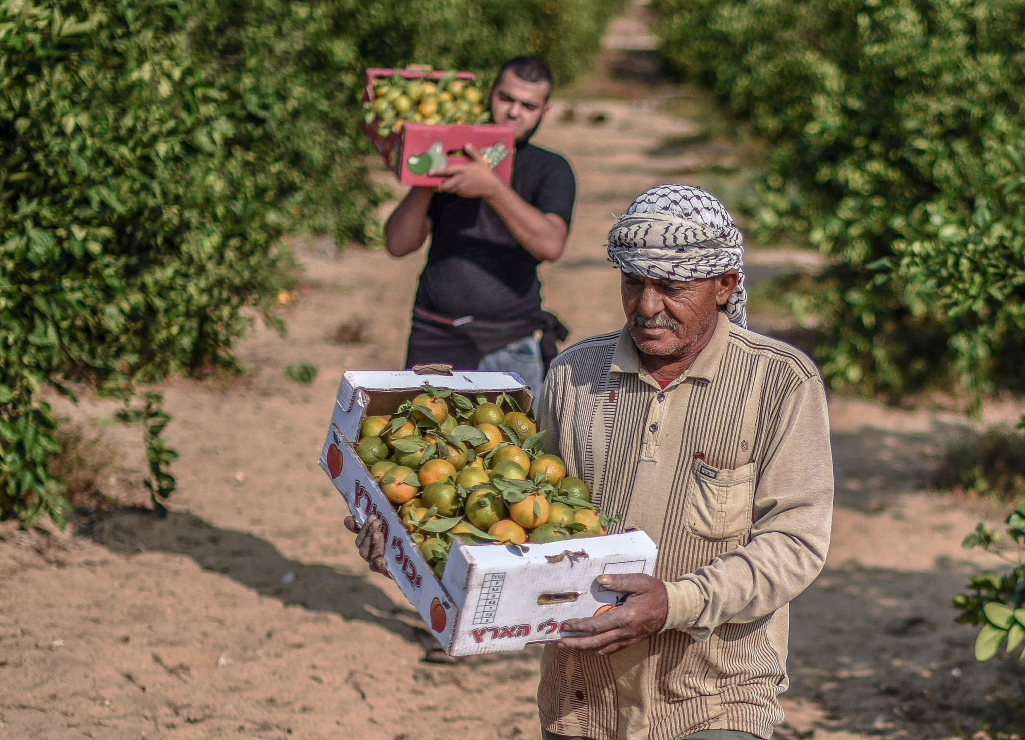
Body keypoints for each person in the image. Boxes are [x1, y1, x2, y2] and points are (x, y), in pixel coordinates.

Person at [350, 184, 834, 740]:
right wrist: (414, 545)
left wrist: (675, 602)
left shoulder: (779, 382)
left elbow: (795, 544)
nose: (647, 307)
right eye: (633, 283)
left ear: (724, 286)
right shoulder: (576, 373)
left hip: (714, 695)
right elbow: (525, 523)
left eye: (671, 288)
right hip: (583, 700)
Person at [384, 55, 575, 402]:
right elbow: (398, 244)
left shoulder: (551, 169)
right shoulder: (451, 156)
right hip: (435, 335)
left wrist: (492, 188)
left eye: (528, 105)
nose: (514, 112)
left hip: (510, 342)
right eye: (506, 99)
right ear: (490, 94)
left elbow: (550, 245)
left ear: (544, 111)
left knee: (509, 451)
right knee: (424, 448)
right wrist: (430, 168)